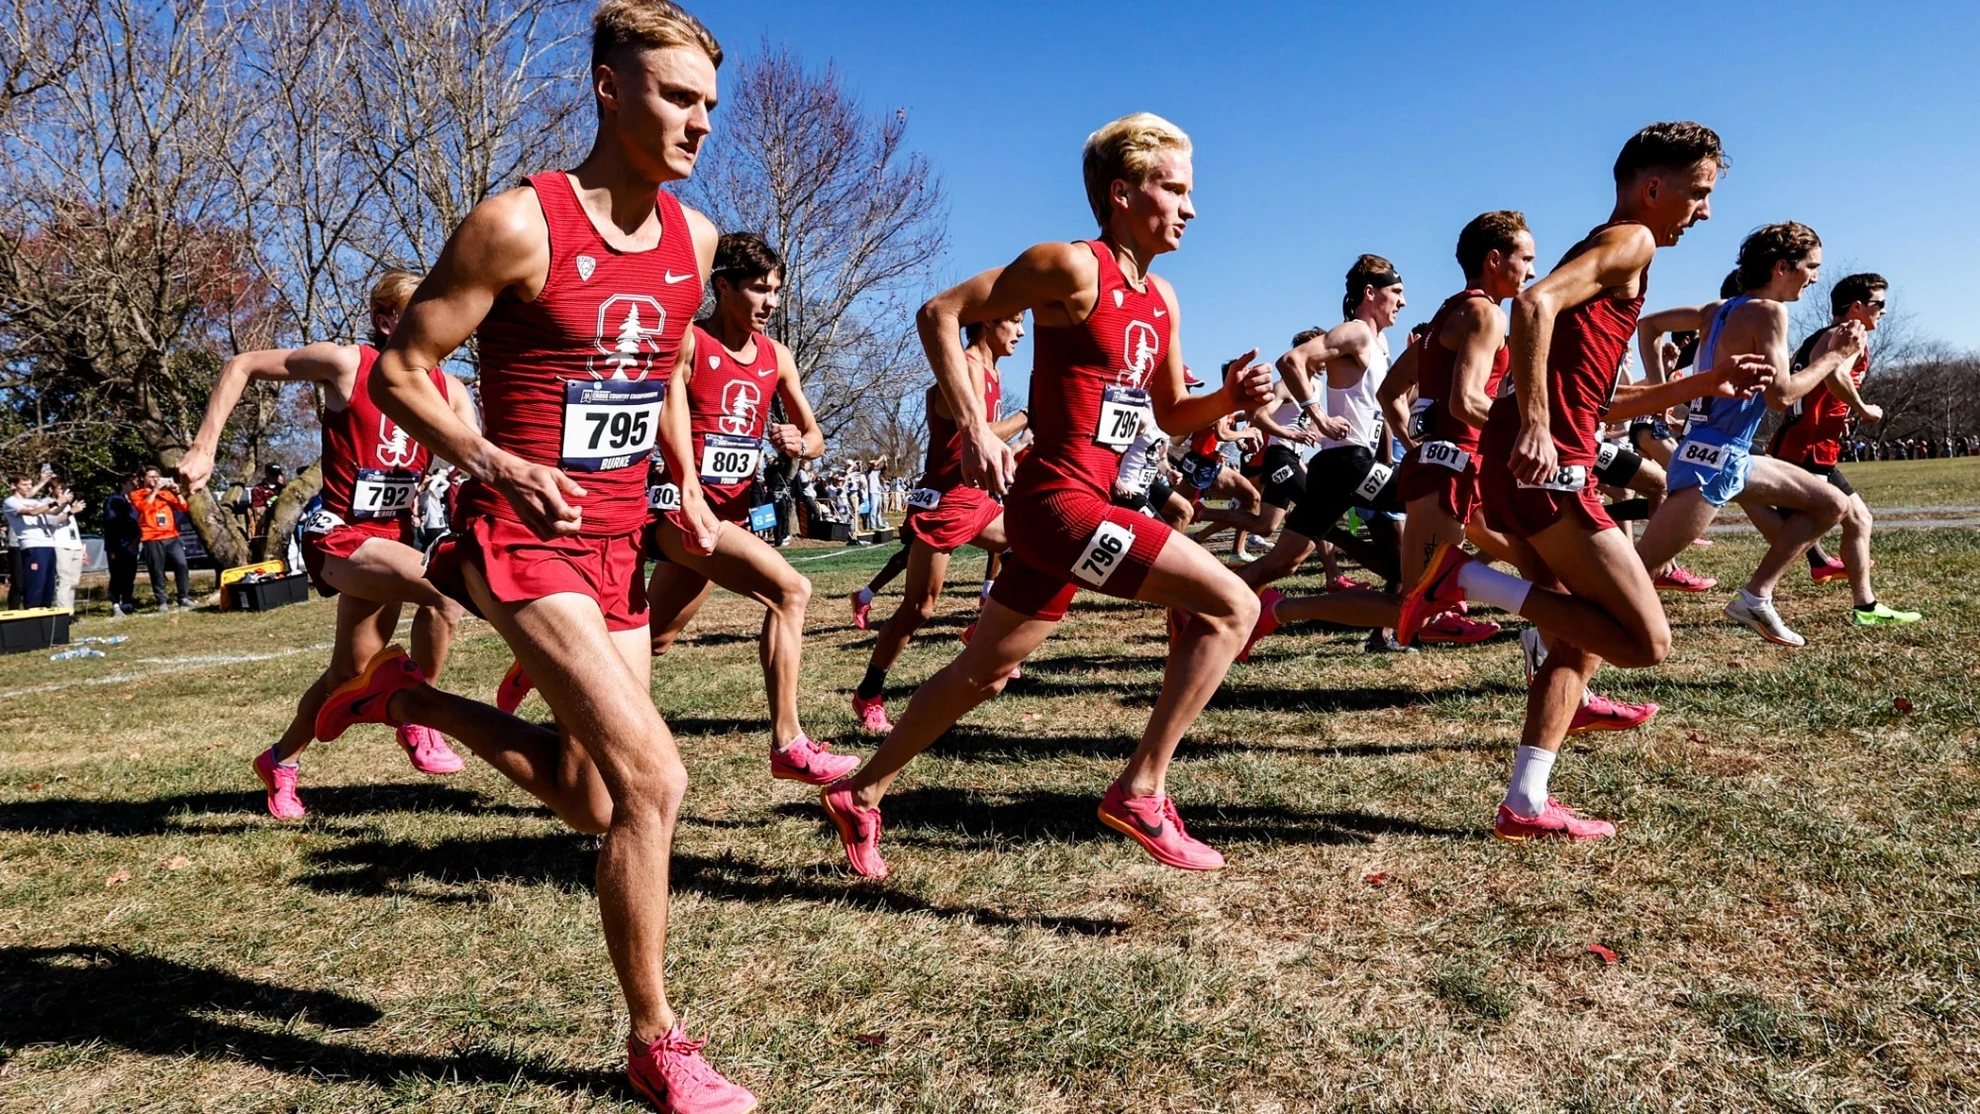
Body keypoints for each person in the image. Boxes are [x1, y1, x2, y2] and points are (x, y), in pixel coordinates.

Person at [337, 4, 756, 1108]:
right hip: (521, 537)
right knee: (655, 781)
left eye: (710, 104)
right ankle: (656, 1037)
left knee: (588, 792)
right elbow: (399, 371)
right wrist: (490, 459)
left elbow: (661, 366)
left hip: (620, 536)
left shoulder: (696, 239)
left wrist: (691, 486)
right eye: (676, 96)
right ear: (609, 89)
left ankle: (410, 700)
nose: (699, 123)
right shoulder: (517, 226)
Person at [818, 112, 1274, 878]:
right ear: (1123, 193)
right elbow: (941, 312)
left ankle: (860, 793)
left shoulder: (1162, 298)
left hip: (1082, 511)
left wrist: (1227, 398)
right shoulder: (1070, 266)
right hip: (1062, 507)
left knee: (982, 673)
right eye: (1176, 189)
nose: (1192, 208)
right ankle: (1141, 789)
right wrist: (975, 426)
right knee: (1237, 606)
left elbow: (1165, 413)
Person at [1400, 121, 1769, 842]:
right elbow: (1530, 305)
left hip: (1529, 461)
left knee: (1575, 642)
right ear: (1652, 187)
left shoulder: (1614, 255)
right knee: (1645, 641)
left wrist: (1710, 379)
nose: (1705, 212)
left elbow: (1600, 401)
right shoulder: (1629, 239)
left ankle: (1526, 802)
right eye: (1698, 194)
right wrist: (1537, 422)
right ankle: (1468, 583)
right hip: (1550, 467)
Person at [177, 268, 474, 817]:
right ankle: (419, 716)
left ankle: (280, 761)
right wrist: (204, 447)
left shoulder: (448, 389)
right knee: (446, 592)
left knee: (348, 673)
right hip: (337, 535)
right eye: (420, 313)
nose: (439, 325)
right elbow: (240, 364)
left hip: (391, 537)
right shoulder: (346, 364)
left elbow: (477, 457)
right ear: (386, 322)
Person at [638, 231, 853, 781]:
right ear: (723, 286)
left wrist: (798, 444)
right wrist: (686, 487)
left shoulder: (778, 357)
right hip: (677, 511)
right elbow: (665, 414)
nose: (771, 302)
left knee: (652, 640)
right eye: (759, 289)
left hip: (729, 517)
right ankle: (789, 743)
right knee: (791, 590)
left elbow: (815, 434)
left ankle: (545, 666)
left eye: (777, 290)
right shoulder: (688, 342)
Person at [1631, 225, 1869, 647]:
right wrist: (1835, 356)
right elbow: (1781, 396)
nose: (1814, 277)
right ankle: (1548, 637)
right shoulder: (1769, 312)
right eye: (1810, 267)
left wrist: (1657, 382)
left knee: (1831, 503)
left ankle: (1756, 597)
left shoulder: (1718, 309)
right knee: (1634, 576)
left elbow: (1648, 325)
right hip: (1713, 462)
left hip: (1726, 453)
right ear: (1782, 267)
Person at [851, 313, 1030, 732]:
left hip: (975, 500)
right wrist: (1027, 418)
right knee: (919, 608)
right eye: (1015, 321)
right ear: (987, 323)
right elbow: (980, 432)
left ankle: (981, 632)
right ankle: (869, 693)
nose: (1021, 332)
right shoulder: (964, 365)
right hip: (943, 504)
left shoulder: (991, 371)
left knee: (1029, 545)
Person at [1232, 255, 1412, 651]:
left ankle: (1197, 609)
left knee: (1283, 562)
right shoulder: (1356, 332)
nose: (1403, 302)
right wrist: (1318, 415)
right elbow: (1292, 361)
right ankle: (1443, 601)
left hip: (1340, 467)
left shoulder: (1380, 343)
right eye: (1396, 292)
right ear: (1370, 293)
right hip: (1348, 462)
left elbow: (1386, 406)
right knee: (1430, 492)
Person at [1757, 272, 1915, 623]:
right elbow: (1835, 376)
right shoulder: (1846, 337)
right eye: (1880, 305)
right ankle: (1758, 593)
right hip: (1805, 449)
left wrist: (1839, 414)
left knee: (1859, 520)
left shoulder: (1823, 336)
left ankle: (1865, 606)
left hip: (1812, 446)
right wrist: (1863, 409)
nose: (1884, 312)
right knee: (1805, 527)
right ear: (1857, 307)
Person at [3, 473, 76, 609]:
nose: (28, 488)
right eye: (24, 485)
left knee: (48, 585)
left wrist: (64, 502)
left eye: (30, 484)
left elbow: (53, 513)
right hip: (33, 545)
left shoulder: (34, 501)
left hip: (48, 543)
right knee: (35, 583)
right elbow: (32, 512)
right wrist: (55, 502)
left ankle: (45, 617)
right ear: (14, 486)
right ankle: (32, 616)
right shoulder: (10, 502)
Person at [128, 467, 193, 609]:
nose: (155, 479)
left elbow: (183, 507)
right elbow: (144, 507)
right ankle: (162, 601)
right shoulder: (136, 494)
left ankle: (184, 597)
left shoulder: (166, 494)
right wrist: (155, 490)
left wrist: (178, 493)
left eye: (157, 477)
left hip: (172, 535)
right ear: (143, 479)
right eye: (151, 477)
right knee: (156, 569)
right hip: (152, 537)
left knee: (181, 564)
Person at [103, 474, 141, 615]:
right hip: (117, 544)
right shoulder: (113, 500)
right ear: (123, 484)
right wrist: (113, 547)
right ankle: (115, 603)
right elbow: (111, 523)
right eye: (132, 483)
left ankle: (127, 602)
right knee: (117, 574)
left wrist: (135, 541)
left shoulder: (135, 501)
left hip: (132, 544)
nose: (135, 485)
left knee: (129, 575)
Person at [50, 480, 86, 610]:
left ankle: (70, 610)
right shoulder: (50, 505)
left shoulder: (67, 506)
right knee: (64, 581)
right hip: (61, 546)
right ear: (51, 489)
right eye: (61, 489)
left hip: (75, 546)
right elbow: (53, 520)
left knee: (73, 581)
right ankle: (63, 612)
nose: (65, 492)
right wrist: (71, 511)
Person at [418, 463, 452, 551]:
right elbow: (431, 488)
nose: (428, 479)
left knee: (440, 549)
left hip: (441, 524)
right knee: (430, 550)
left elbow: (447, 484)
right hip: (431, 526)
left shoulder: (434, 492)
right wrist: (437, 476)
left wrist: (438, 477)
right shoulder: (423, 495)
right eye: (425, 478)